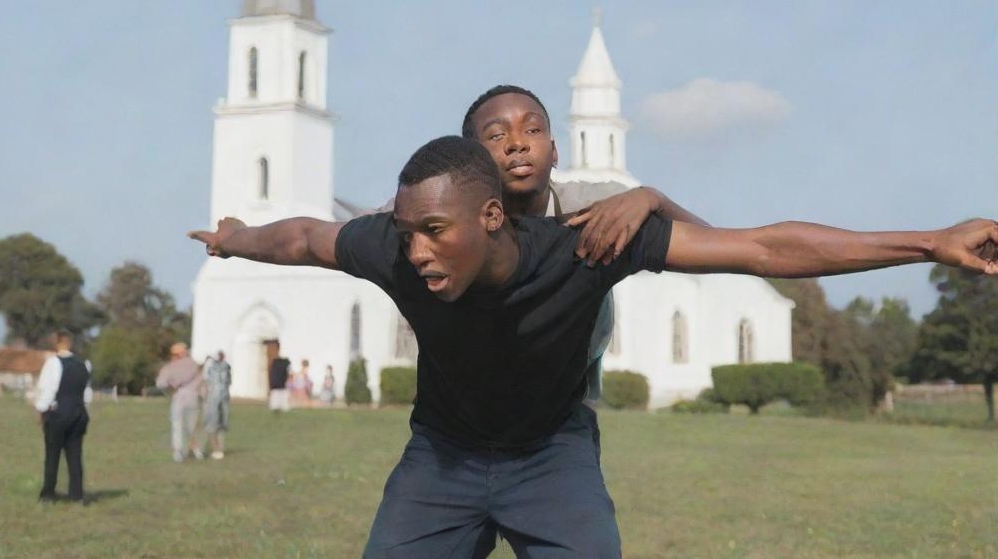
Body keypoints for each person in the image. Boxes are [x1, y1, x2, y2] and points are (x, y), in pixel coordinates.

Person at [190, 135, 998, 558]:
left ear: (492, 219)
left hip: (551, 456)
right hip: (440, 459)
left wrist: (929, 241)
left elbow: (762, 249)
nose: (419, 251)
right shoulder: (393, 247)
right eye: (407, 235)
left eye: (435, 232)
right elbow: (302, 238)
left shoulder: (585, 246)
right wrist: (234, 239)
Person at [461, 83, 710, 402]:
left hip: (566, 402)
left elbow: (705, 244)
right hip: (471, 404)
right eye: (497, 135)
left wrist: (654, 199)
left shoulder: (604, 201)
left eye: (533, 129)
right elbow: (379, 225)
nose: (518, 144)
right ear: (470, 161)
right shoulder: (444, 211)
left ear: (554, 151)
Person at [35, 329, 92, 503]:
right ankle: (77, 494)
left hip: (58, 414)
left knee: (52, 455)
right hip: (79, 413)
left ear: (57, 343)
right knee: (75, 455)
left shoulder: (53, 363)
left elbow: (48, 389)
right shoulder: (84, 365)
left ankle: (48, 494)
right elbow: (87, 393)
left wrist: (41, 409)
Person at [156, 342, 203, 462]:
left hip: (179, 397)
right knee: (191, 427)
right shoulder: (195, 366)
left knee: (177, 426)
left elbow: (161, 384)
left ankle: (178, 452)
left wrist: (171, 387)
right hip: (193, 398)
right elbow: (202, 383)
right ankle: (196, 450)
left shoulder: (169, 367)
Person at [202, 350, 232, 459]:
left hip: (218, 397)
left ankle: (218, 449)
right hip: (218, 397)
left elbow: (206, 381)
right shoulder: (221, 366)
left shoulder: (221, 366)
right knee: (217, 424)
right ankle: (218, 448)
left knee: (217, 424)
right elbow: (228, 382)